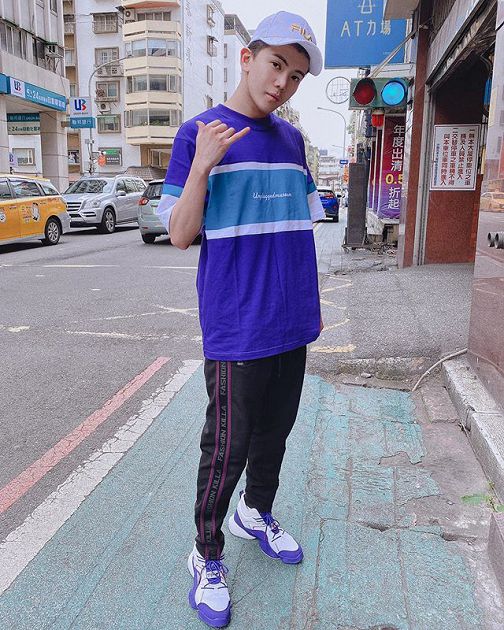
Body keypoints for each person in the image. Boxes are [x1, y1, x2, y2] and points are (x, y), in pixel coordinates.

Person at [156, 11, 324, 628]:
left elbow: (303, 224)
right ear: (247, 58)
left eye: (296, 75)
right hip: (238, 325)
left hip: (293, 319)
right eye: (277, 64)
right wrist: (202, 165)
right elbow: (180, 234)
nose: (283, 83)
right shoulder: (197, 133)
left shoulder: (293, 141)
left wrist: (307, 305)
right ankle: (206, 553)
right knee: (226, 446)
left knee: (275, 431)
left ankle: (255, 512)